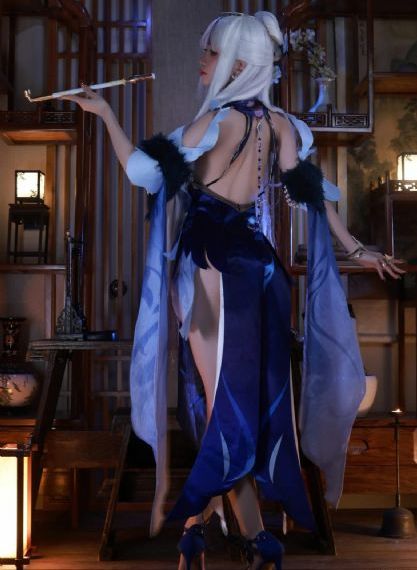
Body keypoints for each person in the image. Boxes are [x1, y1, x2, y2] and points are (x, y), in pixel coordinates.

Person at [64, 11, 405, 570]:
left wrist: (105, 114)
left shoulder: (217, 122)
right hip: (259, 264)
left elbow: (142, 172)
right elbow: (311, 192)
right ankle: (215, 529)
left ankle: (237, 533)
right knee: (238, 401)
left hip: (211, 262)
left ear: (241, 66)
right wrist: (356, 247)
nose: (203, 61)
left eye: (212, 53)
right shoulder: (282, 125)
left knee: (220, 403)